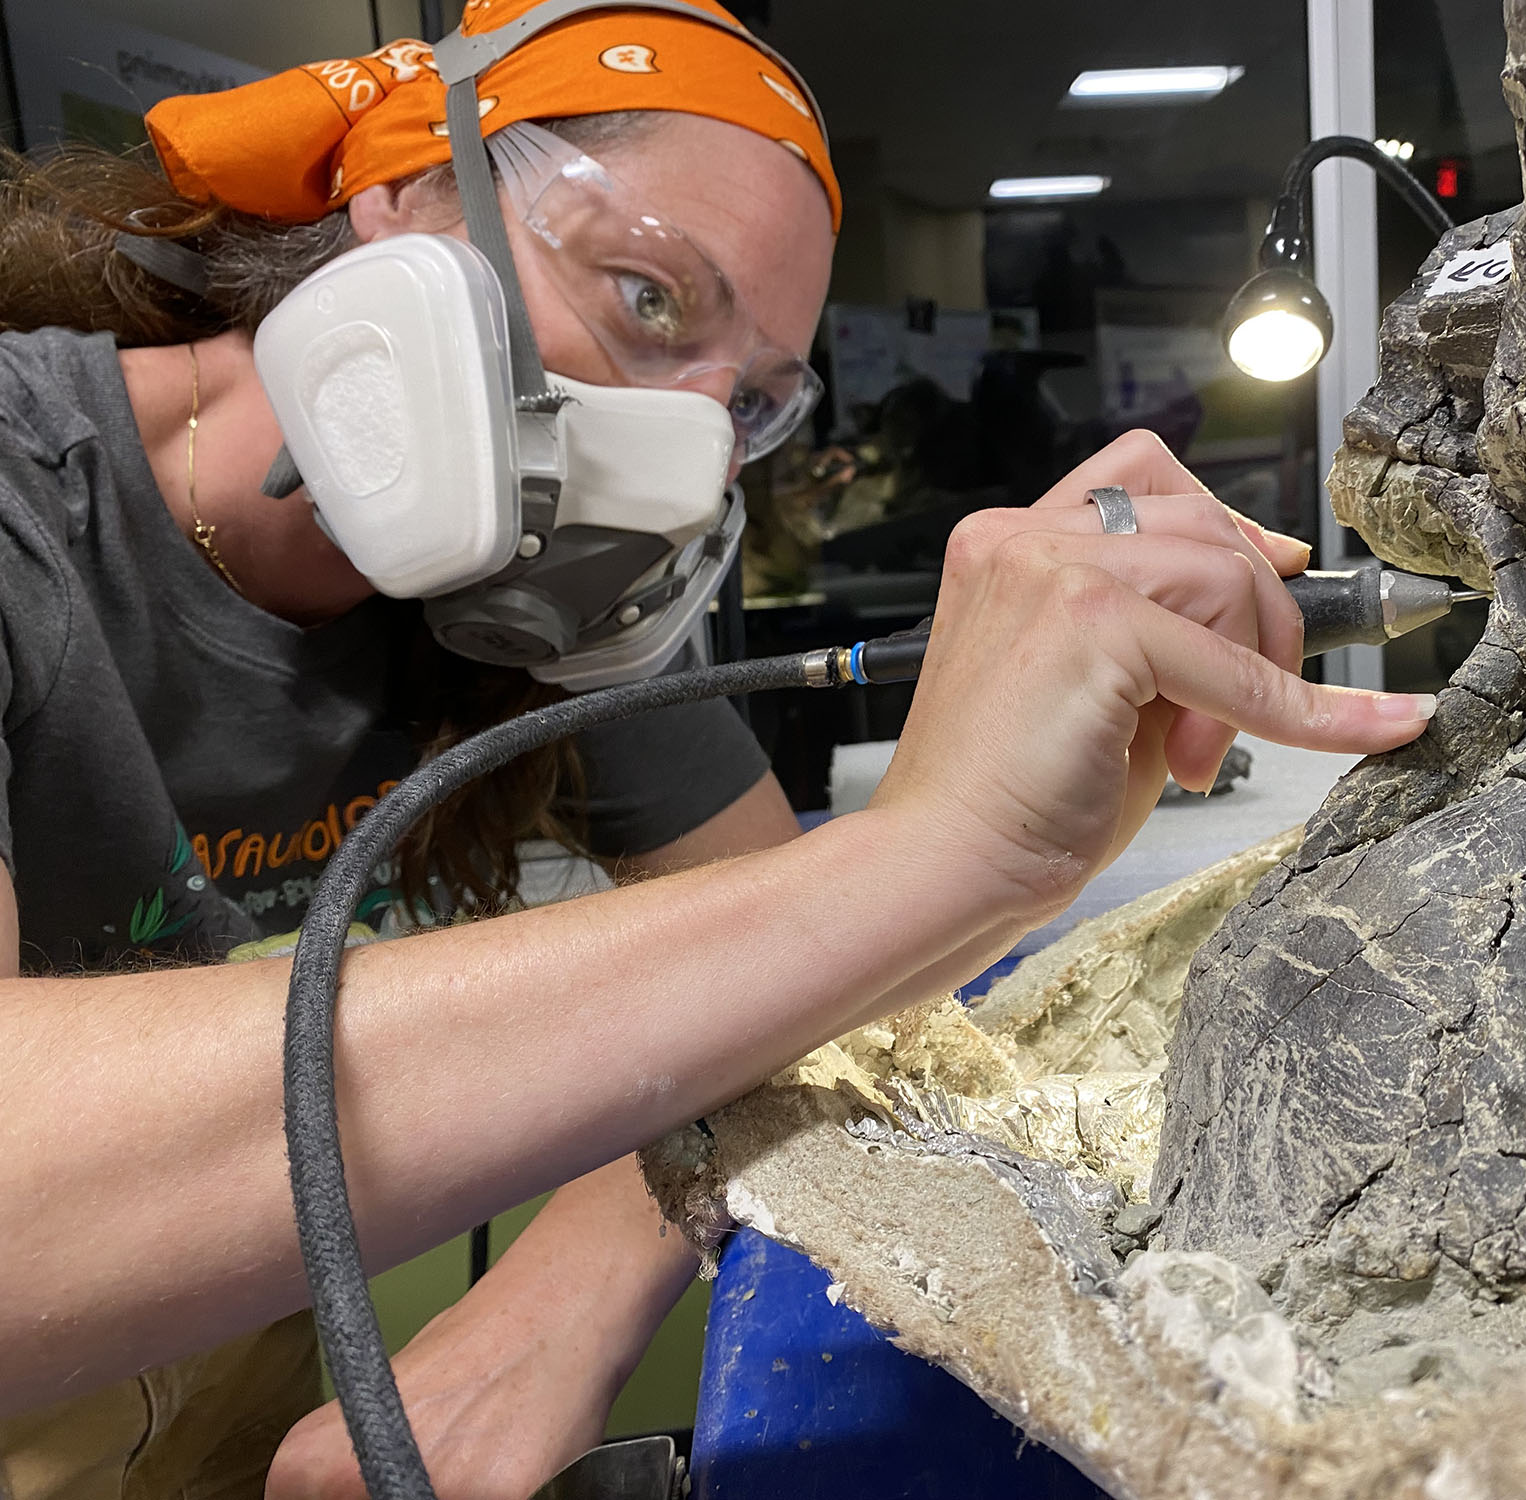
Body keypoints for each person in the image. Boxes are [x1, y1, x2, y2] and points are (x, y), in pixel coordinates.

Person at [0, 4, 1439, 1500]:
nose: (679, 459)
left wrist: (567, 1293)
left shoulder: (530, 601)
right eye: (648, 297)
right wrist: (929, 854)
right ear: (412, 201)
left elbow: (789, 996)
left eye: (744, 401)